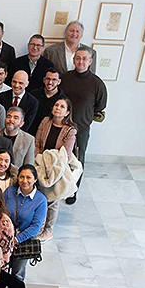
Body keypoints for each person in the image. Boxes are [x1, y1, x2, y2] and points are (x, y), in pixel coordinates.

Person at [60, 46, 107, 203]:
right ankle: (58, 187)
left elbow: (100, 107)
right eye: (78, 58)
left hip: (81, 129)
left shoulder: (97, 83)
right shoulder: (65, 78)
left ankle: (73, 191)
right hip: (61, 126)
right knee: (60, 157)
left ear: (90, 61)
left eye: (84, 59)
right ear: (73, 60)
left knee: (78, 160)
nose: (80, 61)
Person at [34, 97, 78, 241]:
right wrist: (39, 159)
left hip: (57, 166)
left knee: (53, 199)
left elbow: (66, 153)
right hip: (40, 162)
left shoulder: (70, 130)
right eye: (56, 105)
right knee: (39, 196)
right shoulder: (46, 121)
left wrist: (51, 165)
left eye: (62, 107)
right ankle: (38, 224)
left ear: (67, 112)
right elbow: (37, 143)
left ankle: (48, 229)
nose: (58, 108)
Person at [3, 165, 47, 280]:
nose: (25, 181)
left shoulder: (41, 200)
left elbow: (35, 226)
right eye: (21, 177)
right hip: (4, 237)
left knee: (17, 274)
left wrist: (16, 240)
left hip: (23, 241)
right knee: (2, 270)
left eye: (29, 177)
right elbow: (0, 212)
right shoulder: (9, 192)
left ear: (35, 179)